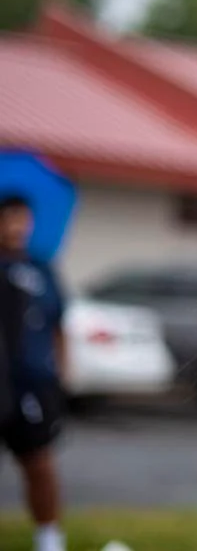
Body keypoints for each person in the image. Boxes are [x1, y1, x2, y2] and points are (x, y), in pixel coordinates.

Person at [0, 195, 68, 551]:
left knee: (39, 461)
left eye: (22, 219)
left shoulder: (41, 269)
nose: (17, 226)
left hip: (33, 384)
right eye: (9, 218)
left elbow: (59, 324)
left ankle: (49, 540)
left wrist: (62, 374)